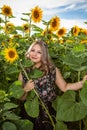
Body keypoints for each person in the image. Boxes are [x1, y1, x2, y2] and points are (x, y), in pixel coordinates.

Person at [18, 39, 87, 130]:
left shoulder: (52, 70)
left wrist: (82, 82)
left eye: (39, 52)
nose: (34, 54)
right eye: (32, 50)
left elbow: (65, 87)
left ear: (44, 55)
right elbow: (21, 98)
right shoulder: (24, 71)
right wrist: (25, 89)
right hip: (31, 111)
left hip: (49, 111)